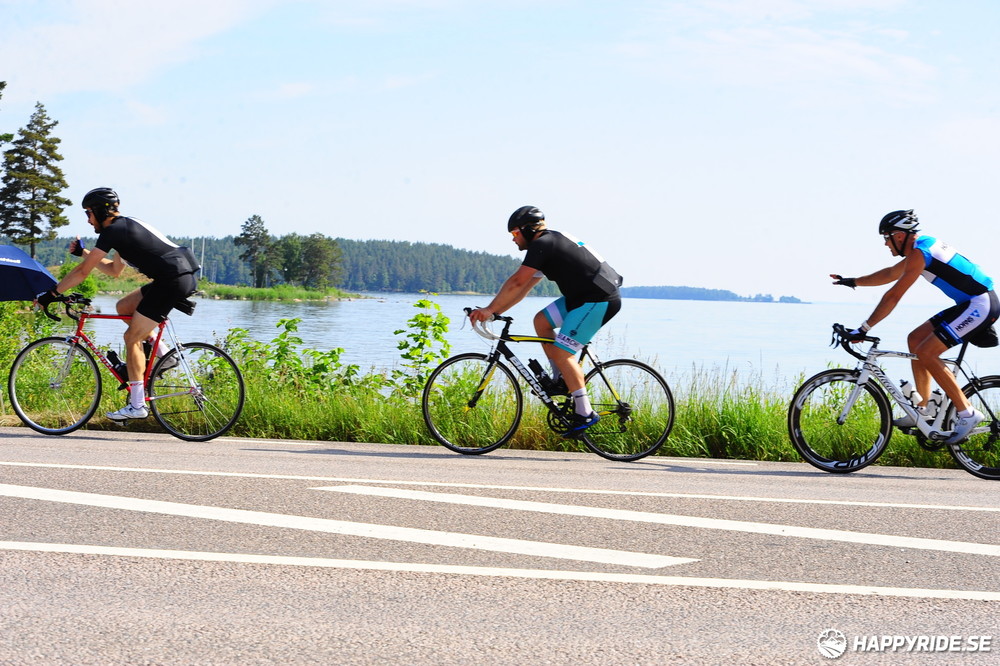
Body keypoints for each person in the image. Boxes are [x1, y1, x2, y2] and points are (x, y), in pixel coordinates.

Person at [831, 209, 998, 443]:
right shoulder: (920, 248)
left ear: (899, 236)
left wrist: (864, 328)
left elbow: (893, 296)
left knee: (927, 352)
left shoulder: (921, 252)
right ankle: (925, 407)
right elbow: (890, 274)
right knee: (915, 340)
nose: (886, 244)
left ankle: (967, 413)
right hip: (971, 303)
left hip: (980, 304)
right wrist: (853, 281)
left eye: (886, 238)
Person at [36, 187, 200, 421]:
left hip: (172, 280)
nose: (88, 220)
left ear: (100, 212)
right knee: (124, 307)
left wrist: (51, 294)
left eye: (88, 213)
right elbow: (113, 270)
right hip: (175, 276)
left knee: (132, 338)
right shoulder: (125, 229)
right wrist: (84, 252)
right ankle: (163, 354)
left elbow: (83, 273)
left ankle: (137, 405)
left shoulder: (115, 230)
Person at [469, 205, 623, 436]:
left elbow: (517, 281)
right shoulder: (549, 244)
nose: (513, 240)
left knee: (563, 353)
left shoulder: (543, 244)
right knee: (541, 321)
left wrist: (490, 308)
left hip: (598, 300)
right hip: (581, 297)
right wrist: (493, 311)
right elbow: (523, 289)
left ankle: (585, 413)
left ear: (527, 230)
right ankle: (561, 380)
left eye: (514, 234)